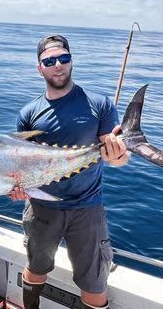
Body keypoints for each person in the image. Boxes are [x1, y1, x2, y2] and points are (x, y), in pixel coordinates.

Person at [10, 34, 130, 309]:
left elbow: (117, 159)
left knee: (94, 283)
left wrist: (119, 154)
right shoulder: (28, 113)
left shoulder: (99, 104)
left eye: (63, 58)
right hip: (41, 208)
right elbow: (20, 165)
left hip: (87, 209)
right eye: (49, 61)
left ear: (71, 61)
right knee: (36, 267)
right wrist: (17, 189)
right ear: (39, 68)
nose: (57, 65)